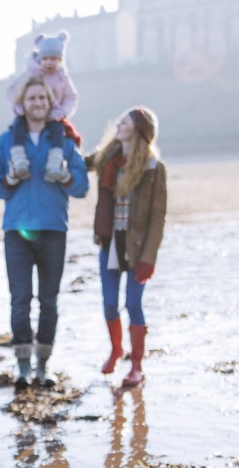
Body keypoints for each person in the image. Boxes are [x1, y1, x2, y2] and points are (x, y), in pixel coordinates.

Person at [0, 75, 90, 391]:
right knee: (20, 301)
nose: (38, 103)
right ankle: (23, 367)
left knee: (49, 301)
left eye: (42, 98)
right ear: (22, 104)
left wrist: (67, 176)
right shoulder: (4, 143)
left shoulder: (65, 143)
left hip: (54, 229)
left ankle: (44, 366)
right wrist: (10, 180)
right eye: (32, 99)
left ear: (50, 102)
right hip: (16, 232)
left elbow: (83, 186)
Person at [84, 107, 167, 387]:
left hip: (138, 247)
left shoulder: (153, 168)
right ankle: (116, 349)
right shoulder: (107, 159)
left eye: (126, 121)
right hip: (110, 243)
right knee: (109, 303)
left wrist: (149, 259)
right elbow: (80, 162)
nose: (119, 123)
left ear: (140, 129)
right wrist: (64, 133)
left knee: (133, 304)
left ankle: (137, 366)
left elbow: (158, 217)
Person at [5, 30, 82, 145]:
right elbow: (12, 90)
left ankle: (56, 155)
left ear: (60, 60)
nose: (49, 63)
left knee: (61, 131)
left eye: (53, 59)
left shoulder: (62, 77)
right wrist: (19, 108)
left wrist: (62, 111)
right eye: (45, 59)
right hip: (29, 115)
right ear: (40, 58)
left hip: (53, 116)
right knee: (18, 126)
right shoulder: (31, 73)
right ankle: (18, 153)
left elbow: (71, 97)